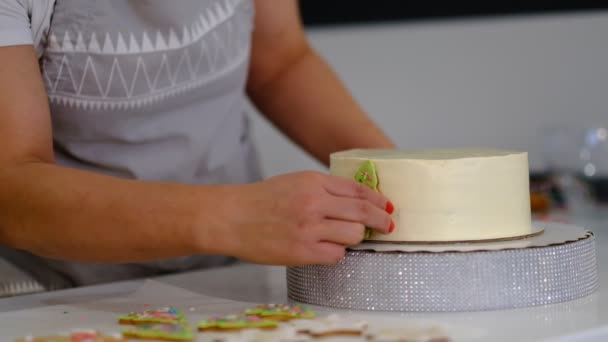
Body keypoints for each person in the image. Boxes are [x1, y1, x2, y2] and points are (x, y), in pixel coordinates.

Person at [0, 0, 395, 289]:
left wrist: (398, 172)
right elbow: (12, 193)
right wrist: (236, 217)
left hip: (229, 276)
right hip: (60, 291)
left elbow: (279, 61)